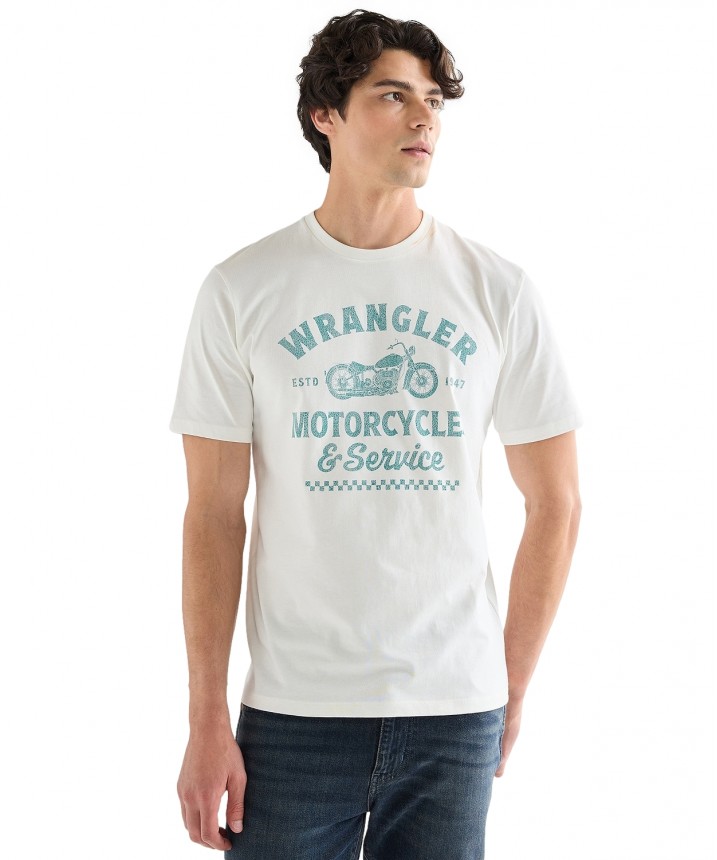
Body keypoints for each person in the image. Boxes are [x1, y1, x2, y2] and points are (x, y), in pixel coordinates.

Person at [169, 8, 583, 859]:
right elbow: (212, 513)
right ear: (325, 114)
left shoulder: (496, 289)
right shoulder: (242, 288)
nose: (423, 117)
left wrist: (507, 683)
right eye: (392, 96)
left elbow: (558, 503)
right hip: (293, 713)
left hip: (453, 711)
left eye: (433, 100)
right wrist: (206, 716)